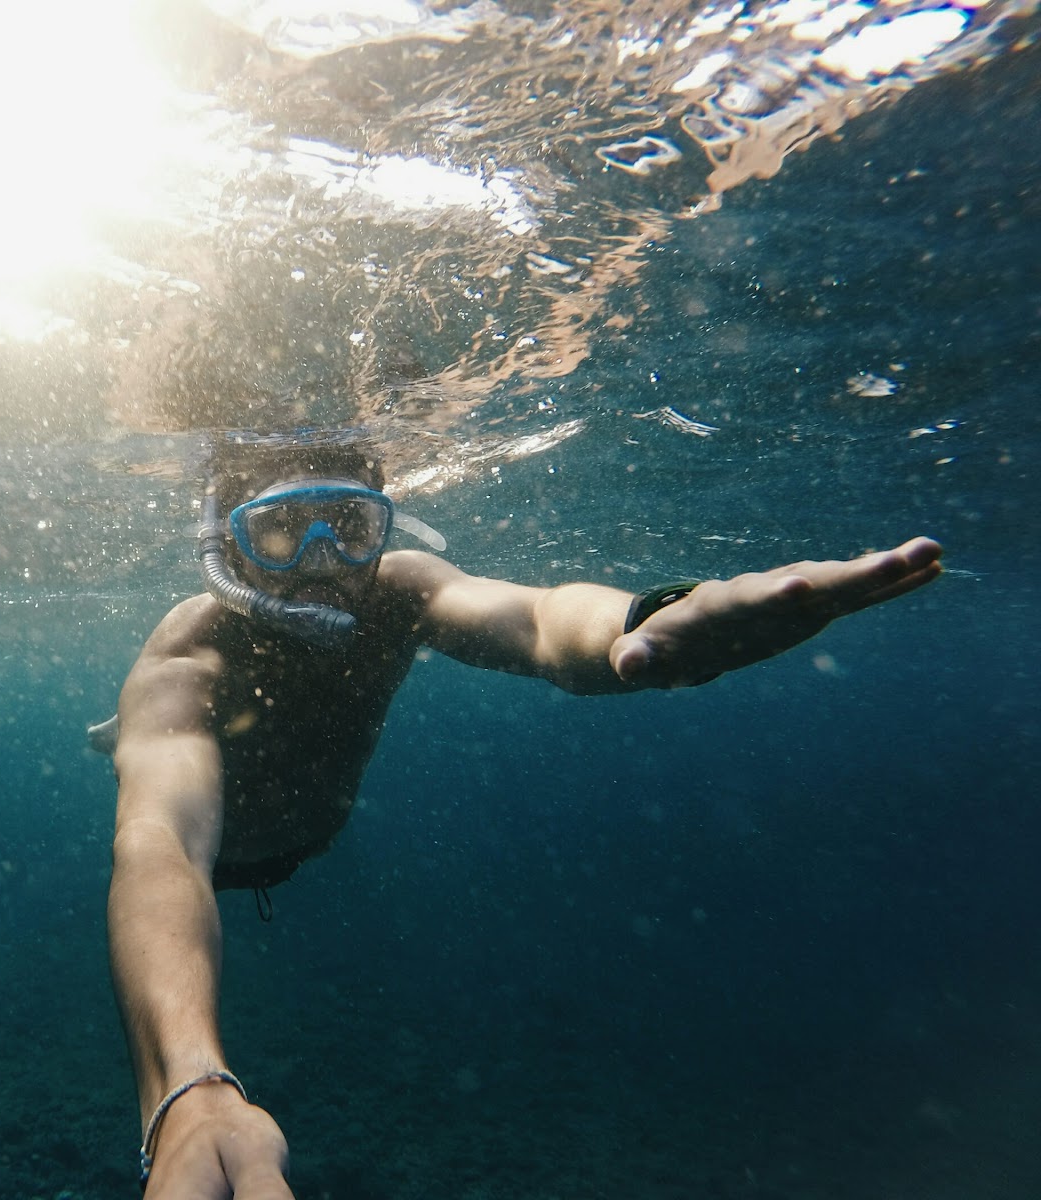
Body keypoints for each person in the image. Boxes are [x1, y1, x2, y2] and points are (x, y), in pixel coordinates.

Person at [95, 429, 942, 1199]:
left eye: (348, 529)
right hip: (227, 859)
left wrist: (641, 620)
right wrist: (187, 1086)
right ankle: (126, 737)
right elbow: (158, 844)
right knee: (153, 757)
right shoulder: (189, 657)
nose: (322, 565)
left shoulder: (398, 594)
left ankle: (126, 737)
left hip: (307, 841)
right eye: (280, 532)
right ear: (225, 545)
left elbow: (536, 617)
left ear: (383, 529)